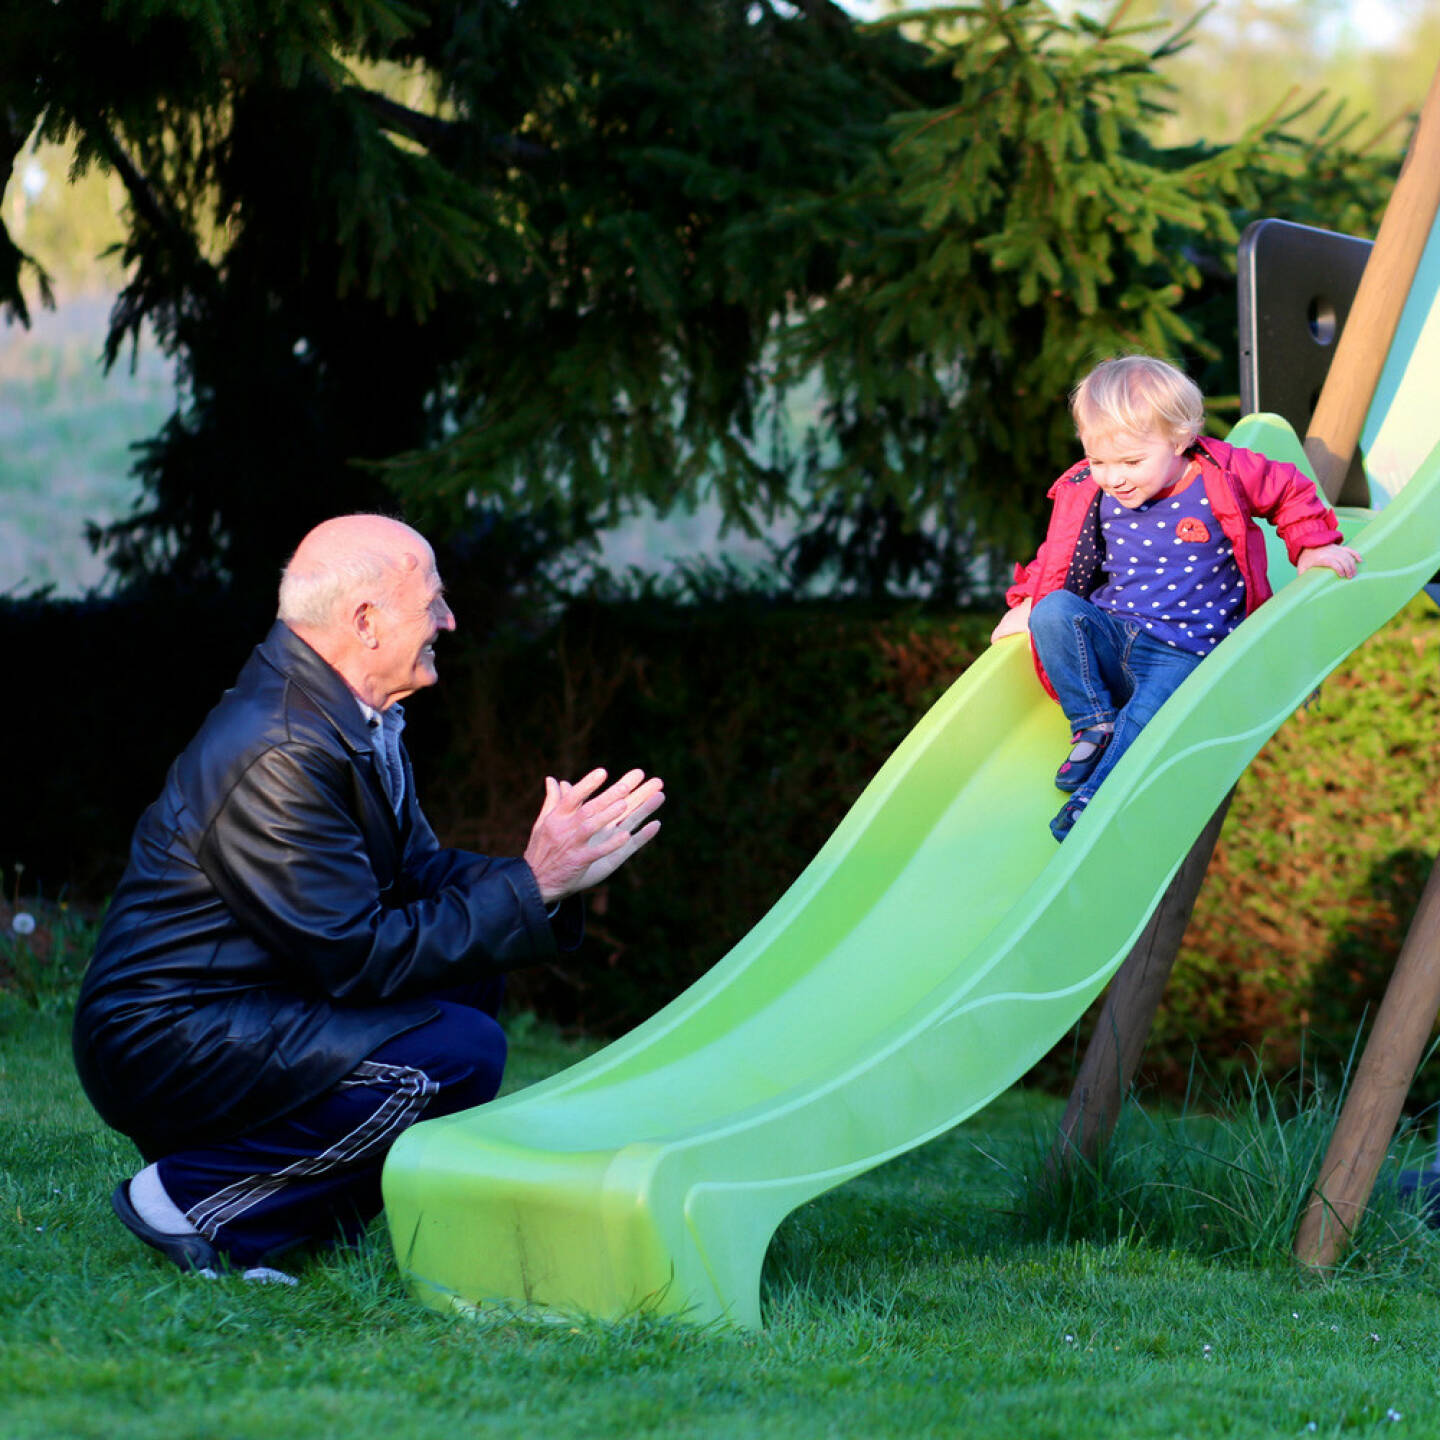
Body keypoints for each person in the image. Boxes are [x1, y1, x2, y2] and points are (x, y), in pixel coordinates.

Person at [72, 513, 665, 1282]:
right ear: (366, 621)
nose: (448, 621)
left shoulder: (349, 719)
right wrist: (532, 885)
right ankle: (192, 1199)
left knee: (474, 979)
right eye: (434, 602)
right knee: (457, 1054)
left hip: (245, 1003)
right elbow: (355, 957)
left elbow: (415, 876)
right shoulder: (282, 747)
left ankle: (288, 1207)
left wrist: (544, 877)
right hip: (167, 1039)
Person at [991, 355, 1361, 842]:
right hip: (1114, 630)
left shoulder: (1222, 473)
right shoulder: (1092, 490)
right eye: (1098, 461)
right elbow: (1061, 552)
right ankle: (1093, 722)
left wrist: (1312, 544)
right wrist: (1027, 601)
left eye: (1130, 462)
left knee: (1149, 716)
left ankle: (1093, 803)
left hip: (1185, 651)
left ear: (1180, 439)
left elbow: (1288, 489)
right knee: (1054, 612)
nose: (1113, 477)